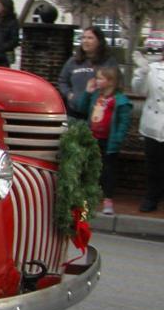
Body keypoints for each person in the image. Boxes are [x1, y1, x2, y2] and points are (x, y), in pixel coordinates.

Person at [80, 66, 132, 216]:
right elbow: (82, 108)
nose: (97, 81)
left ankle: (108, 199)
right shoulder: (96, 96)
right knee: (90, 169)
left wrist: (118, 139)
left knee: (108, 171)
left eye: (100, 78)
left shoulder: (120, 100)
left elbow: (123, 122)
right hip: (93, 138)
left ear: (111, 82)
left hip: (109, 142)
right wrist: (87, 92)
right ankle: (87, 199)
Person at [57, 27, 119, 119]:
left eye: (90, 38)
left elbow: (115, 83)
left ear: (99, 41)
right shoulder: (73, 61)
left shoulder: (108, 62)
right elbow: (62, 81)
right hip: (73, 112)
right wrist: (69, 94)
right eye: (83, 38)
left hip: (98, 113)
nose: (85, 41)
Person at [132, 51, 163, 213]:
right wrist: (142, 72)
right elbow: (139, 90)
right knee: (153, 165)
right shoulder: (153, 68)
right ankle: (151, 198)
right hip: (153, 125)